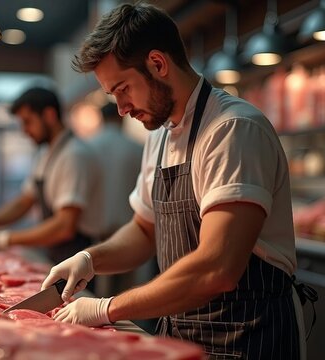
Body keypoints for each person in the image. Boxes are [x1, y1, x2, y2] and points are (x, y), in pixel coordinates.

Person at [41, 3, 307, 359]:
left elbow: (217, 268)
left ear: (158, 63)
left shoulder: (232, 130)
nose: (120, 109)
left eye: (123, 89)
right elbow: (144, 230)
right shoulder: (160, 135)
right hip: (183, 337)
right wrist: (90, 258)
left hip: (248, 339)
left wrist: (106, 308)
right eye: (113, 95)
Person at [0, 87, 103, 265]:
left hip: (81, 257)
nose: (24, 130)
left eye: (27, 122)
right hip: (57, 253)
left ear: (49, 115)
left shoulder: (74, 155)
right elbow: (24, 201)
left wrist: (5, 239)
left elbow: (65, 226)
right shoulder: (46, 154)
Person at [87, 103, 148, 298]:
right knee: (125, 290)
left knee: (95, 290)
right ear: (120, 117)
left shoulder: (88, 147)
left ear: (101, 118)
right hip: (132, 227)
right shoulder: (137, 148)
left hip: (96, 227)